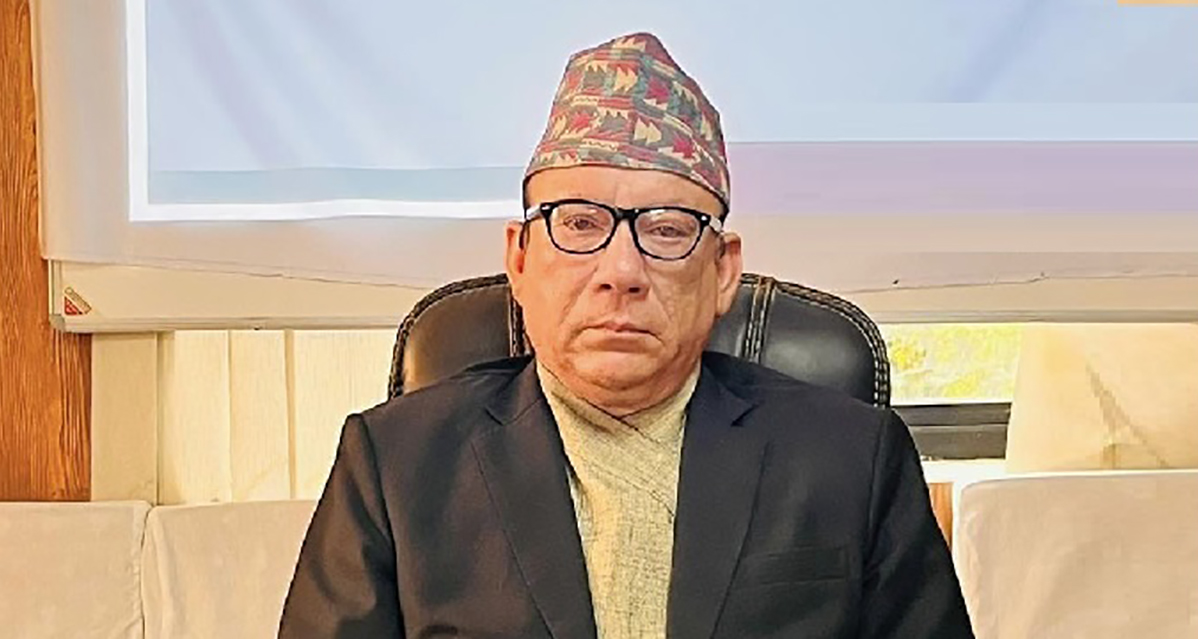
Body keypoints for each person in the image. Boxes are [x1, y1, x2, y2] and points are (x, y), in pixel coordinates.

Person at [279, 32, 973, 639]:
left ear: (723, 271)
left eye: (666, 230)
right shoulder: (396, 465)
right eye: (580, 224)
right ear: (520, 257)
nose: (621, 271)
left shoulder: (851, 459)